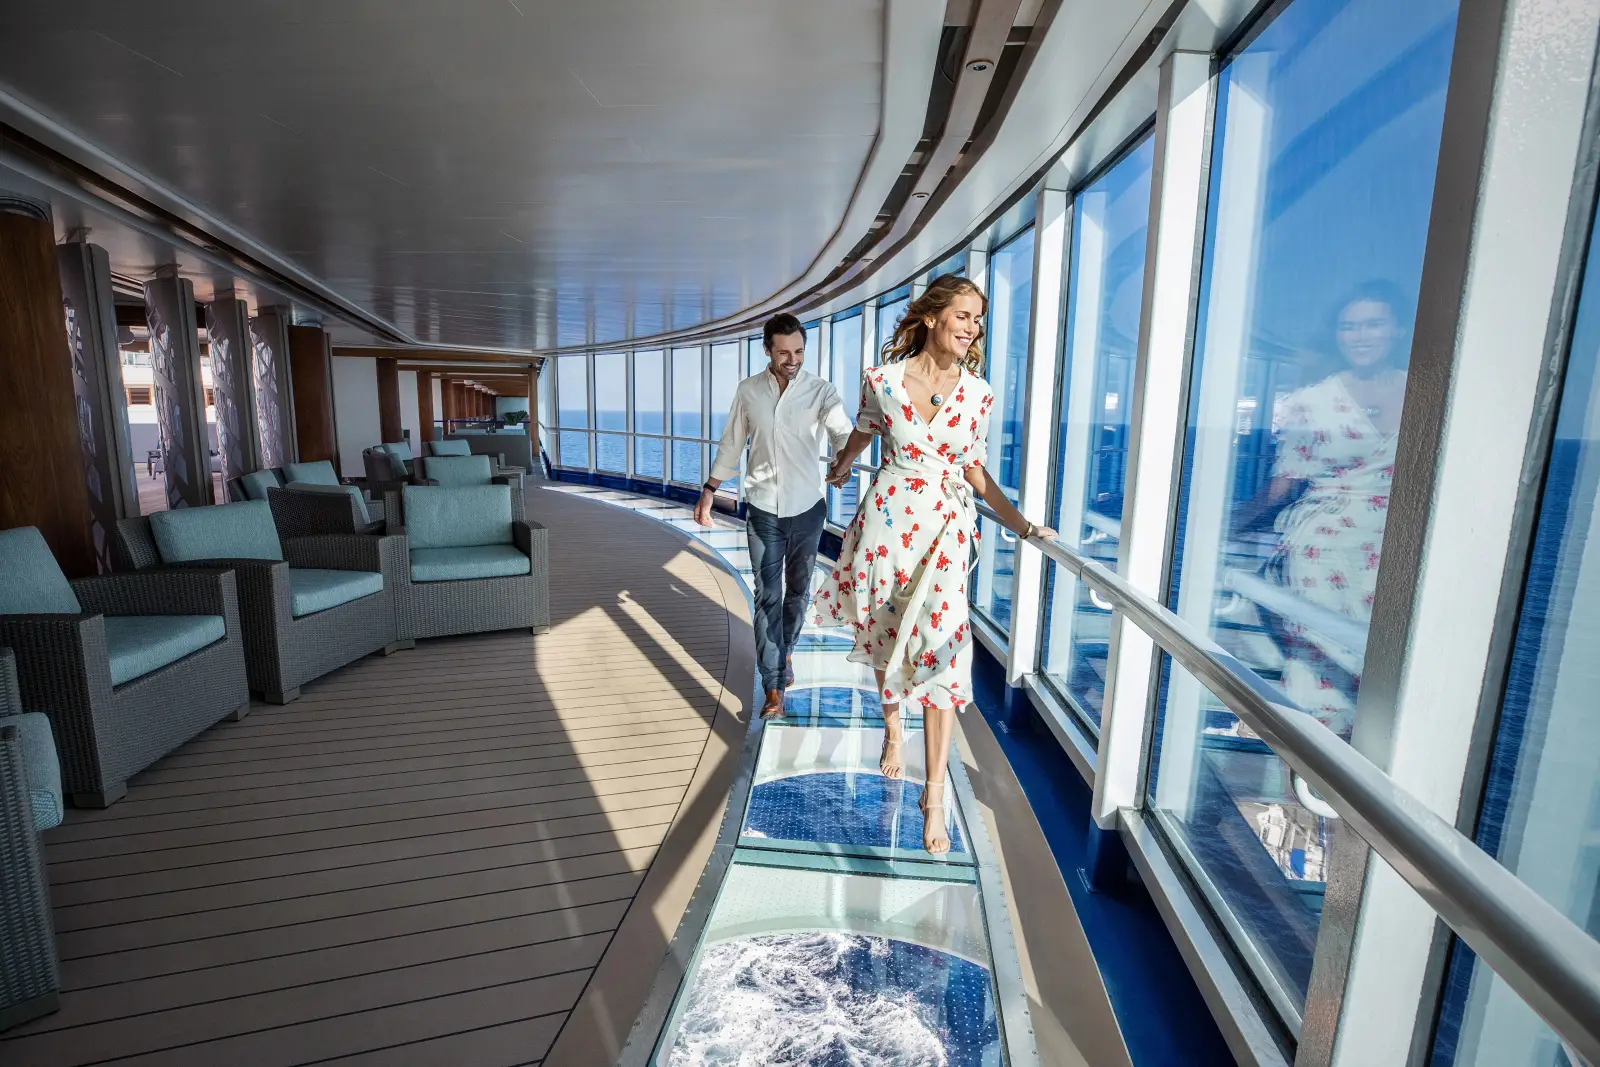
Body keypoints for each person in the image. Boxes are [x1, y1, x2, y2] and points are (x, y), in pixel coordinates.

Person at [818, 275, 1053, 854]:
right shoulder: (883, 379)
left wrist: (1021, 523)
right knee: (882, 631)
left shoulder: (980, 393)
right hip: (887, 524)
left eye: (978, 320)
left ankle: (934, 797)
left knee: (944, 657)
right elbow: (866, 430)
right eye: (964, 316)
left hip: (946, 530)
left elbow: (973, 469)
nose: (973, 329)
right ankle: (892, 724)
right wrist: (844, 465)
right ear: (931, 317)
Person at [1235, 280, 1410, 737]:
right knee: (1322, 659)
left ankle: (1362, 769)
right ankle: (1312, 767)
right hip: (1323, 550)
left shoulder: (1424, 395)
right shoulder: (1312, 402)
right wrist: (1222, 529)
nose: (1360, 335)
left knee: (1383, 663)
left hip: (1392, 549)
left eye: (1373, 323)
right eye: (1349, 326)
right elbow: (1280, 490)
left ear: (1397, 328)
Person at [698, 312, 854, 718]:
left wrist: (843, 458)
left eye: (799, 351)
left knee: (798, 592)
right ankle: (772, 686)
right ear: (767, 349)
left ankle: (784, 654)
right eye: (783, 352)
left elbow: (841, 431)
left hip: (808, 508)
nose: (792, 359)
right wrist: (709, 491)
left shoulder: (821, 391)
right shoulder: (749, 391)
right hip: (764, 507)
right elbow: (732, 443)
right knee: (768, 595)